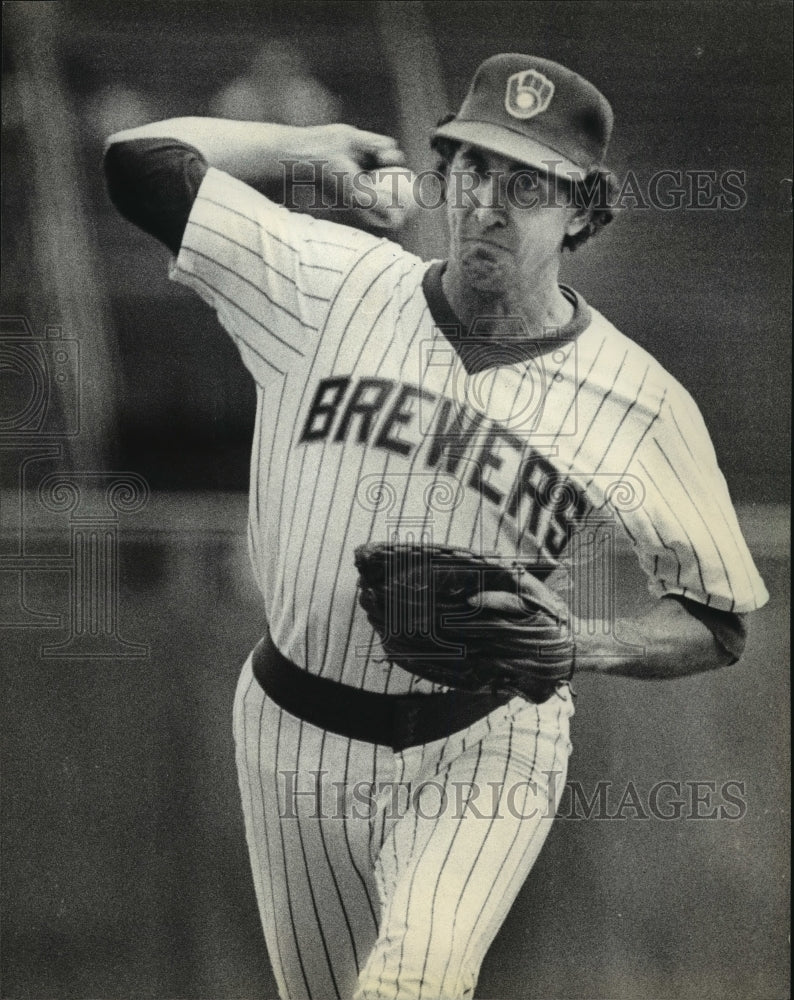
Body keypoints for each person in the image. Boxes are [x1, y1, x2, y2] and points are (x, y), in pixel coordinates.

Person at [104, 53, 768, 1000]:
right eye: (470, 170)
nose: (487, 204)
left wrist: (583, 643)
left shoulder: (639, 400)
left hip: (487, 744)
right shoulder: (327, 284)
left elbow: (719, 618)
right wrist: (302, 148)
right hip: (294, 730)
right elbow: (137, 162)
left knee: (413, 983)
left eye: (526, 184)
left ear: (582, 210)